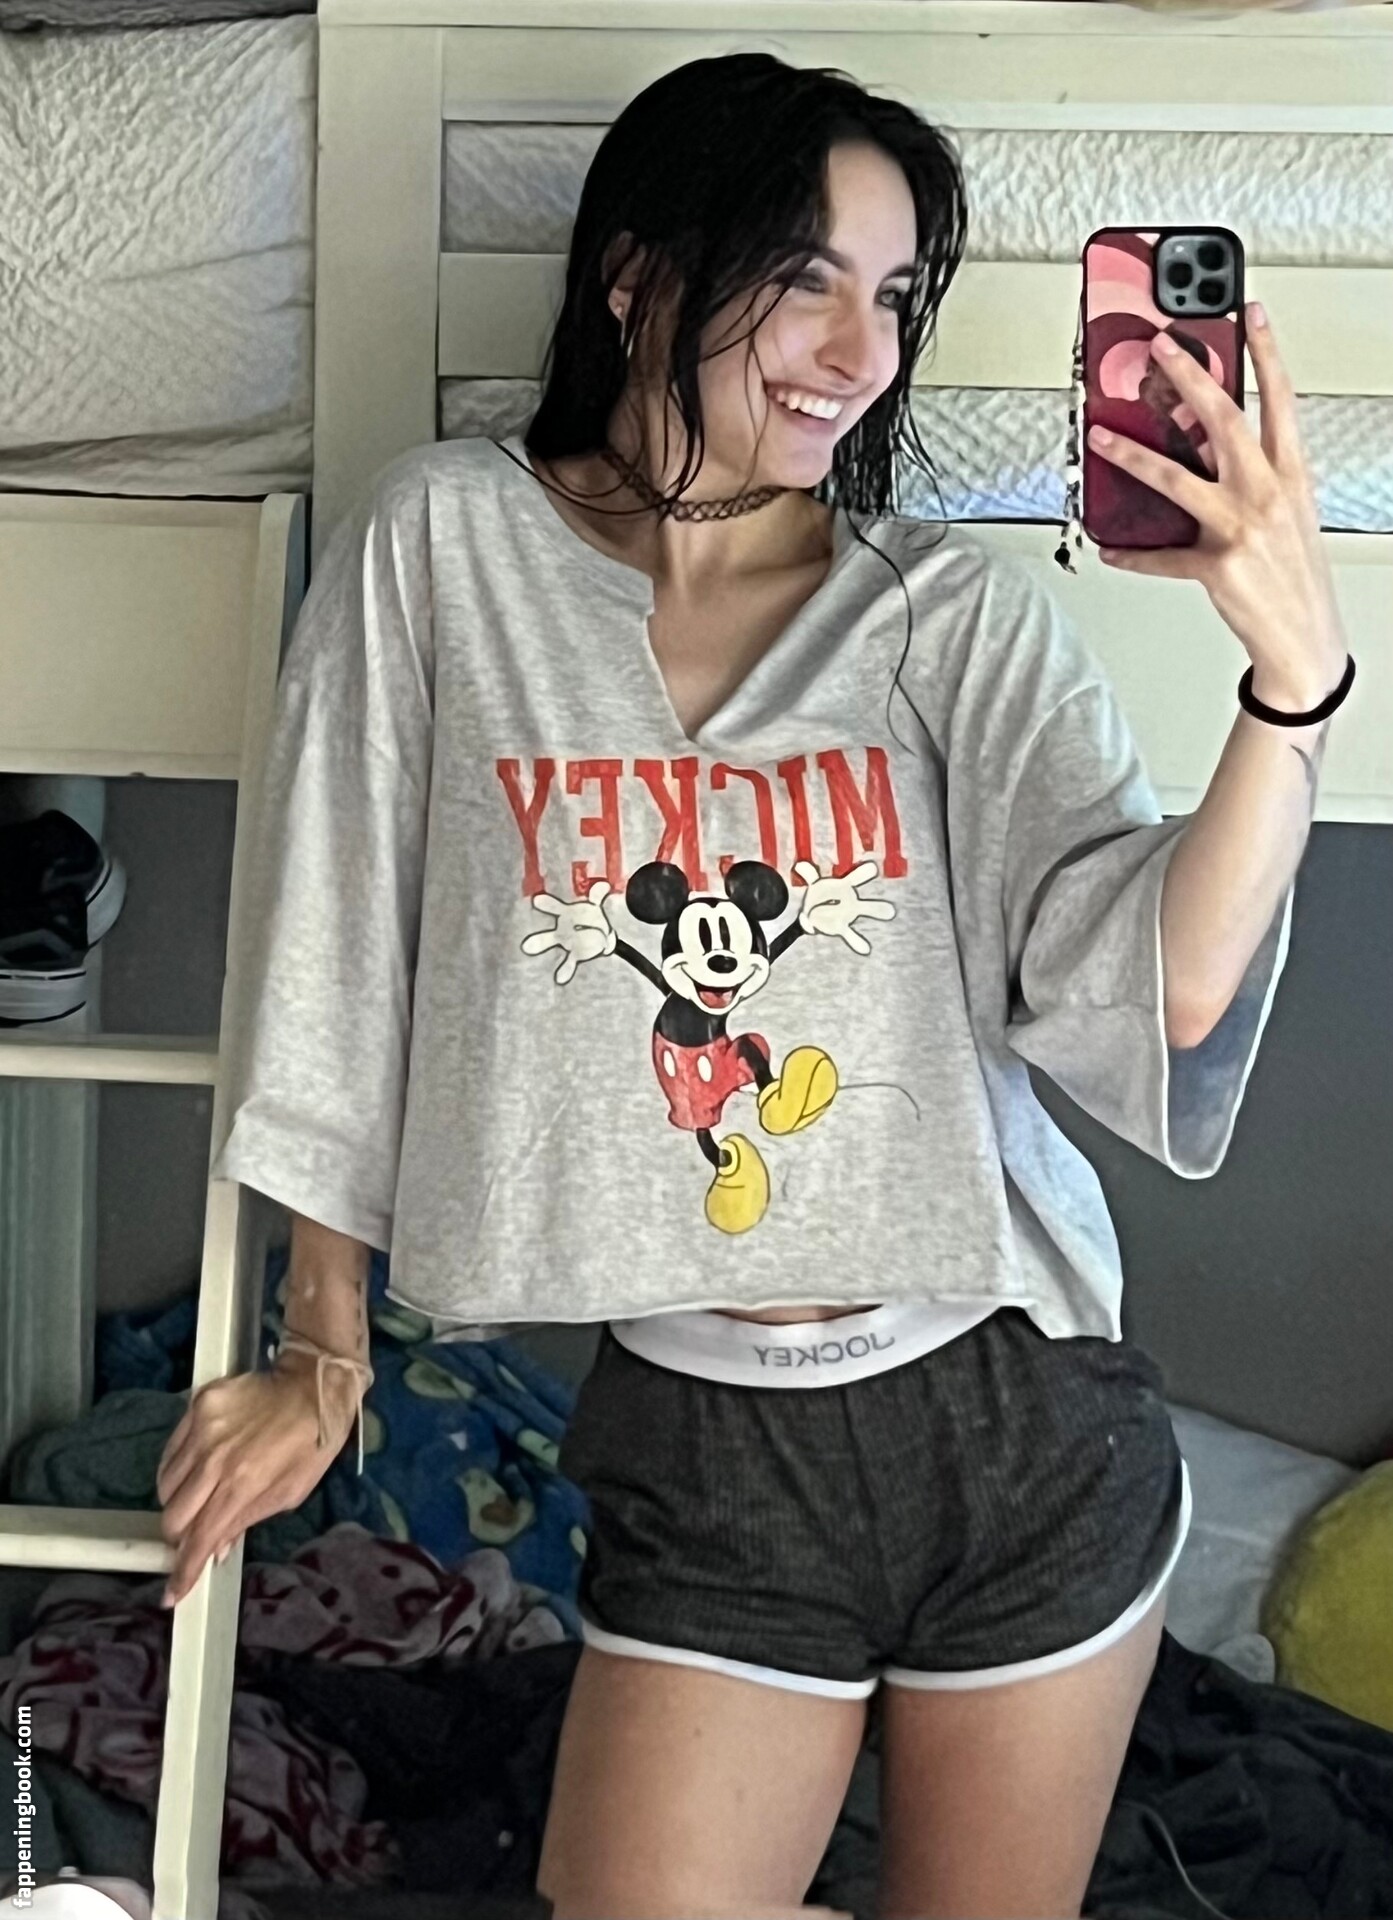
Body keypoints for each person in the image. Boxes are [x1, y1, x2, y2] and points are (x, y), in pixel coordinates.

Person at [156, 52, 1301, 1920]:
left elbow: (1155, 985)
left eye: (896, 294)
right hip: (706, 1439)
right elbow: (333, 949)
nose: (860, 349)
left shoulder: (941, 611)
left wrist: (1290, 682)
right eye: (803, 278)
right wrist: (321, 1349)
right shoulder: (442, 546)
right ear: (636, 278)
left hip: (1015, 1416)